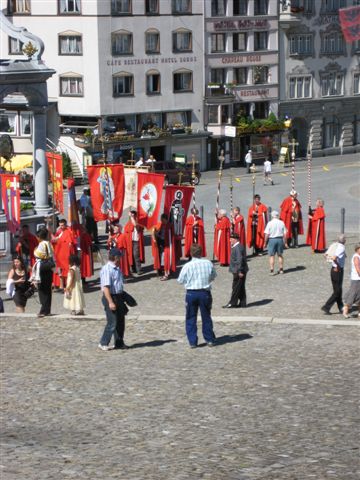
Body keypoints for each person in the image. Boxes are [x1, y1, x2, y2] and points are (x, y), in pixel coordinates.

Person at [177, 244, 217, 348]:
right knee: (206, 316)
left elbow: (180, 280)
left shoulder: (187, 266)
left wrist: (189, 281)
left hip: (191, 293)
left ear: (191, 253)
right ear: (201, 252)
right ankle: (209, 339)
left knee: (190, 317)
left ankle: (192, 341)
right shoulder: (208, 263)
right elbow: (213, 276)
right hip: (204, 292)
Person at [98, 248, 129, 351]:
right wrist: (110, 302)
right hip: (110, 297)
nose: (121, 258)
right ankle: (103, 342)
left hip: (118, 296)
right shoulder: (107, 269)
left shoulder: (117, 268)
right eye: (119, 257)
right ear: (116, 258)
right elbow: (106, 288)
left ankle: (119, 343)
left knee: (120, 321)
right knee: (112, 322)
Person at [321, 235, 346, 315]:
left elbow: (326, 255)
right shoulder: (341, 247)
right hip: (337, 270)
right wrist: (338, 266)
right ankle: (326, 306)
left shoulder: (335, 245)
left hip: (333, 270)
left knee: (338, 290)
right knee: (337, 291)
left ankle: (341, 307)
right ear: (344, 240)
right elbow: (335, 258)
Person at [32, 228, 54, 318]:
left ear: (39, 237)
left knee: (42, 290)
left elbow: (38, 254)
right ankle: (47, 309)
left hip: (42, 266)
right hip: (48, 267)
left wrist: (34, 250)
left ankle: (43, 310)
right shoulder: (49, 243)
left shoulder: (41, 244)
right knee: (48, 289)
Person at [223, 233, 249, 309]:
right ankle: (242, 303)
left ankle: (232, 303)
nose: (230, 240)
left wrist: (240, 271)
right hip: (241, 269)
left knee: (235, 287)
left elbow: (239, 260)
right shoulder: (239, 246)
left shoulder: (237, 248)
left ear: (235, 239)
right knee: (240, 287)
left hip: (238, 270)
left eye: (231, 239)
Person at [52, 218, 77, 289]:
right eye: (60, 225)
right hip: (59, 254)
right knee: (60, 271)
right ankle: (61, 285)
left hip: (65, 255)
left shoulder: (68, 232)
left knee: (65, 270)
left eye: (62, 225)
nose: (61, 227)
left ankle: (66, 284)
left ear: (65, 225)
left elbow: (70, 244)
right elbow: (58, 239)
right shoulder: (60, 232)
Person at [151, 213, 176, 280]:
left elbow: (170, 237)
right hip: (161, 243)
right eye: (161, 220)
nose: (161, 221)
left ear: (165, 219)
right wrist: (154, 235)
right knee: (160, 257)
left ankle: (166, 273)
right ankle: (161, 269)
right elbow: (156, 231)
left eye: (162, 220)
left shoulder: (169, 226)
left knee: (165, 259)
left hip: (167, 245)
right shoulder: (161, 225)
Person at [264, 210, 288, 275]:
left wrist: (265, 243)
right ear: (278, 215)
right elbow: (285, 234)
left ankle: (272, 270)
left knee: (271, 256)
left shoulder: (269, 223)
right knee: (280, 255)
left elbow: (266, 234)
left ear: (272, 216)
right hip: (280, 239)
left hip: (272, 240)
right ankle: (281, 269)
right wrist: (285, 242)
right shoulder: (282, 222)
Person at [124, 210, 145, 275]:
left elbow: (135, 225)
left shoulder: (139, 222)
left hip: (136, 241)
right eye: (131, 215)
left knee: (136, 255)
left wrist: (132, 217)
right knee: (131, 255)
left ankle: (139, 269)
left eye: (133, 215)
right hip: (130, 242)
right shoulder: (128, 223)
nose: (132, 216)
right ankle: (133, 268)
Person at [342, 243, 360, 319]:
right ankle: (345, 309)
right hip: (356, 279)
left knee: (359, 295)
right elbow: (358, 268)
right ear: (357, 249)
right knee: (352, 295)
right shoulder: (356, 257)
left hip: (358, 279)